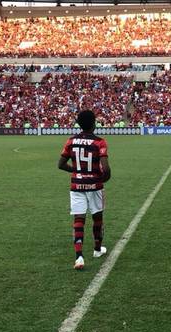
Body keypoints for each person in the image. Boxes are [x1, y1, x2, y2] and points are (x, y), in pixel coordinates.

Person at [58, 110, 112, 270]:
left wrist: (77, 172)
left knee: (78, 219)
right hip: (94, 185)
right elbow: (107, 169)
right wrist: (100, 179)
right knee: (97, 217)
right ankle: (97, 250)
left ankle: (79, 257)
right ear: (94, 123)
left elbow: (60, 164)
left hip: (76, 185)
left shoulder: (71, 141)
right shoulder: (99, 142)